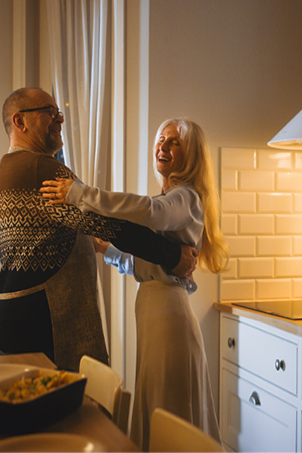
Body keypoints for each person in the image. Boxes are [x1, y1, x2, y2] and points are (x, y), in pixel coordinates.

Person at [41, 118, 229, 450]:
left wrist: (80, 193)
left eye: (174, 142)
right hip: (157, 310)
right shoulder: (175, 198)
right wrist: (108, 250)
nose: (163, 146)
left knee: (164, 404)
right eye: (161, 139)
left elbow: (149, 211)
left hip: (168, 317)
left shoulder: (186, 198)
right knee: (159, 399)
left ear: (194, 156)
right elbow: (147, 262)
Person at [0, 88, 197, 372]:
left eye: (59, 113)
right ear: (20, 122)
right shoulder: (42, 169)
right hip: (49, 326)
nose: (59, 119)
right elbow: (110, 225)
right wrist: (172, 256)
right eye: (49, 112)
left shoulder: (5, 171)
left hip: (12, 324)